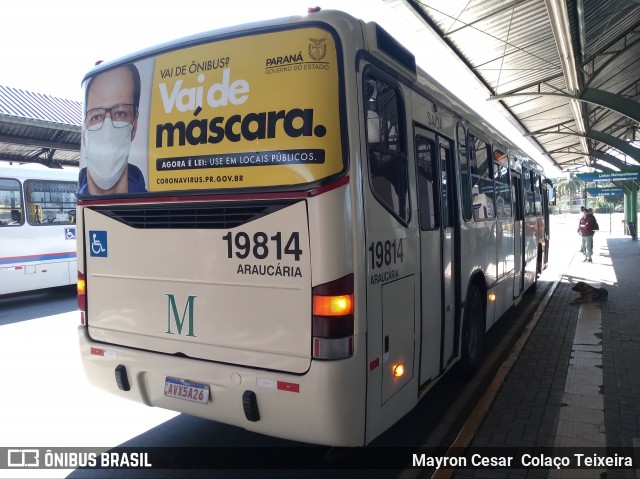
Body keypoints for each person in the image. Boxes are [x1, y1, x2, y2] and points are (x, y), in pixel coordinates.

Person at [78, 63, 147, 195]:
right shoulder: (81, 207)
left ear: (134, 126)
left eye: (120, 114)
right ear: (84, 134)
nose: (107, 132)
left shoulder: (152, 211)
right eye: (96, 116)